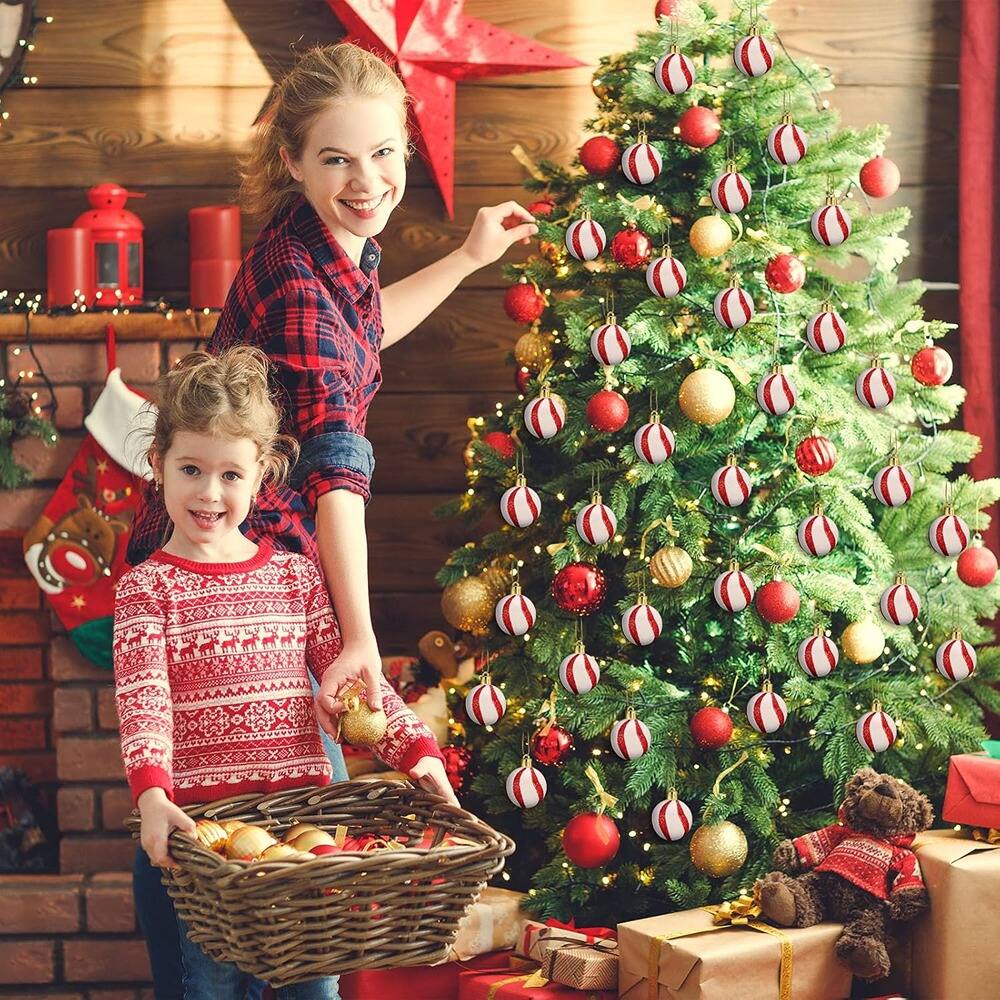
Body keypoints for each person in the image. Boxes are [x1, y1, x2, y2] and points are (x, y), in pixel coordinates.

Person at [124, 42, 533, 998]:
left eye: (386, 154)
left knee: (284, 795)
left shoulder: (326, 246)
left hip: (271, 570)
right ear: (294, 164)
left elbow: (366, 326)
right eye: (340, 160)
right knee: (205, 839)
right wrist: (357, 633)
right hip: (222, 555)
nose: (370, 181)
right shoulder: (300, 279)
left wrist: (470, 257)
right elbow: (334, 470)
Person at [115, 346, 452, 1000]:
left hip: (304, 837)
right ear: (158, 466)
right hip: (207, 845)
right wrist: (153, 794)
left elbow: (356, 689)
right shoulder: (148, 589)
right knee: (210, 989)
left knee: (311, 990)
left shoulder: (296, 576)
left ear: (262, 474)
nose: (209, 493)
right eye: (190, 469)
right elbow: (144, 704)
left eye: (230, 475)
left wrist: (416, 751)